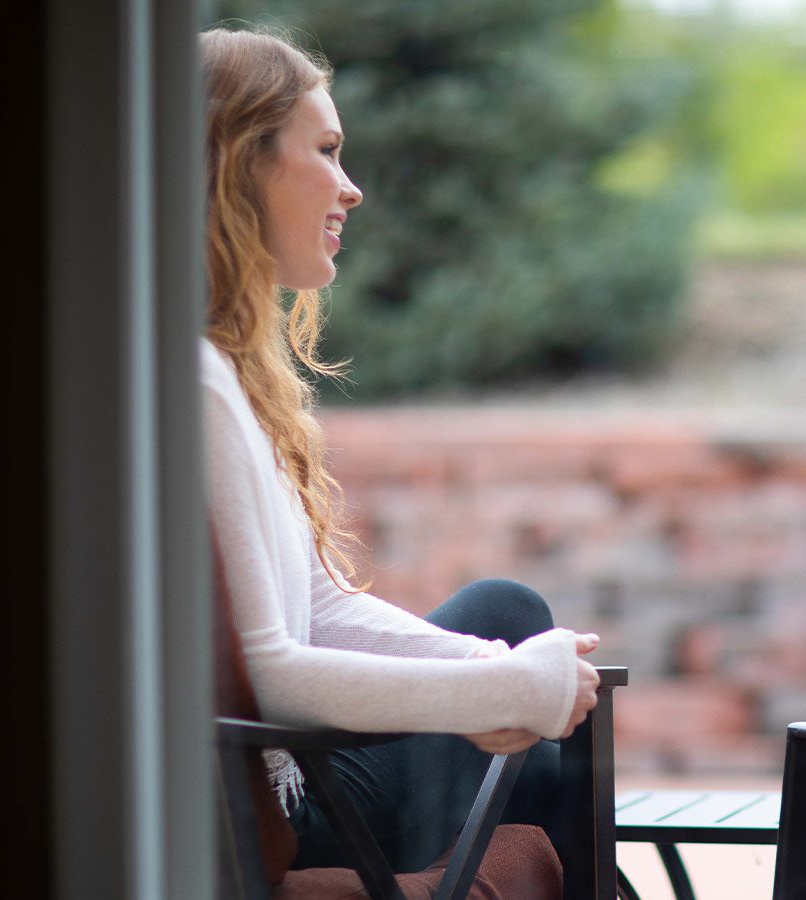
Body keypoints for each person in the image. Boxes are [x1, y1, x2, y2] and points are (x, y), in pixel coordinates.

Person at [199, 27, 601, 873]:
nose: (351, 189)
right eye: (328, 150)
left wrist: (507, 683)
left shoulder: (218, 372)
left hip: (307, 778)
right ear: (242, 161)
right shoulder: (195, 383)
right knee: (515, 626)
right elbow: (272, 673)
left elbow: (325, 608)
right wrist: (501, 689)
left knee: (511, 629)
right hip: (293, 806)